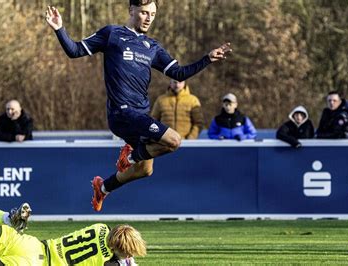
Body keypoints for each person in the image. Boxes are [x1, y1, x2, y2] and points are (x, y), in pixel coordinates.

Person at [45, 0, 232, 211]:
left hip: (141, 115)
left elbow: (178, 73)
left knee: (145, 170)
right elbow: (75, 50)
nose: (149, 18)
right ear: (131, 11)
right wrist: (60, 29)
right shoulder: (112, 34)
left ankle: (103, 187)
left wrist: (207, 58)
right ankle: (131, 156)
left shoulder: (152, 47)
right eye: (144, 13)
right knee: (174, 140)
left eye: (152, 14)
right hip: (122, 113)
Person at [0, 202, 146, 265]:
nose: (130, 255)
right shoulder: (109, 263)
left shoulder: (101, 227)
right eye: (128, 252)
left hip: (32, 244)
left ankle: (8, 218)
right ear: (116, 247)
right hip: (36, 263)